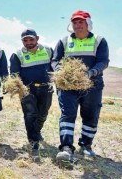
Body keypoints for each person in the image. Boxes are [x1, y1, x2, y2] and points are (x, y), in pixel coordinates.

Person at [51, 10, 109, 162]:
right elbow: (55, 60)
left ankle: (86, 146)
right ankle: (66, 148)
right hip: (67, 85)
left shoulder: (99, 40)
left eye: (81, 22)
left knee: (90, 115)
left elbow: (103, 61)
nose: (77, 25)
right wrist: (60, 71)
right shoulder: (64, 41)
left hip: (92, 85)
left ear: (88, 24)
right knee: (67, 114)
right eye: (74, 22)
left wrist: (90, 73)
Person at [10, 29, 53, 155]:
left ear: (37, 38)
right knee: (30, 115)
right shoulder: (17, 54)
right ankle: (33, 142)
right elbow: (14, 74)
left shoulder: (48, 50)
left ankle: (37, 131)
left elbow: (56, 65)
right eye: (25, 40)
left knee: (43, 114)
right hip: (27, 90)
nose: (28, 42)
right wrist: (19, 88)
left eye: (31, 39)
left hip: (46, 88)